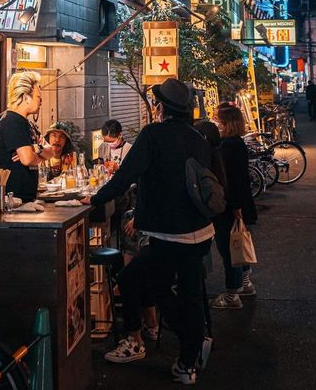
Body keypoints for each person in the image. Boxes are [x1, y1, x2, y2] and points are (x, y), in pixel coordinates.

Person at [84, 78, 213, 385]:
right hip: (201, 231)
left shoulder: (153, 135)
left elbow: (126, 175)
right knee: (189, 293)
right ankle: (188, 360)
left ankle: (183, 345)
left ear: (161, 108)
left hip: (170, 234)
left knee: (142, 282)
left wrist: (95, 198)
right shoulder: (197, 137)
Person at [208, 104, 257, 310]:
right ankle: (245, 285)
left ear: (227, 123)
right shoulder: (234, 143)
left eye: (218, 119)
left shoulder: (229, 146)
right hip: (238, 202)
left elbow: (233, 179)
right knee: (237, 244)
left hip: (230, 205)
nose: (215, 122)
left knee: (228, 249)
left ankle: (232, 295)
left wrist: (235, 206)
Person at [0, 71, 53, 203]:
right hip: (13, 199)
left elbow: (50, 151)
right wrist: (36, 153)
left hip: (26, 197)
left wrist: (35, 149)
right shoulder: (12, 122)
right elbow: (28, 159)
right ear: (26, 97)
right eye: (38, 97)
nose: (41, 101)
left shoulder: (28, 124)